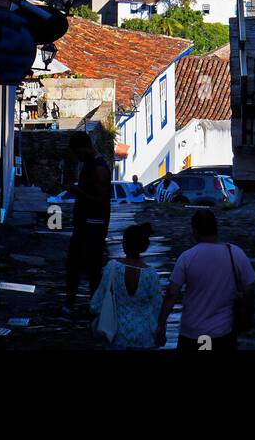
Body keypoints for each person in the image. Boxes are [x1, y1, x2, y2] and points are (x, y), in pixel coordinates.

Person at [155, 208, 255, 351]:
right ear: (216, 229)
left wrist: (161, 324)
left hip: (192, 332)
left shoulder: (187, 257)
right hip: (223, 332)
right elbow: (249, 288)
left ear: (195, 231)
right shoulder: (235, 253)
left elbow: (171, 294)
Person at [90, 222, 163, 349]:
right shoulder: (151, 274)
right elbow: (157, 307)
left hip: (116, 334)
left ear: (124, 244)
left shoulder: (112, 268)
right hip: (144, 336)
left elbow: (96, 304)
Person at [64, 131, 111, 313]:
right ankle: (73, 304)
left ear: (84, 147)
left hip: (93, 225)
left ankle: (94, 307)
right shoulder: (90, 165)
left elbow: (101, 200)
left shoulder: (98, 168)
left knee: (91, 268)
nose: (77, 157)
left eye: (77, 153)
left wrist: (77, 192)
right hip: (86, 223)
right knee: (75, 266)